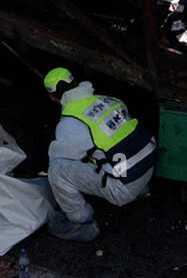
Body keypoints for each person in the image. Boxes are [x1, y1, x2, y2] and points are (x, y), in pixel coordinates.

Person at [43, 67, 156, 241]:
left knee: (57, 170)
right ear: (77, 83)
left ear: (52, 97)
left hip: (124, 189)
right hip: (147, 168)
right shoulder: (109, 100)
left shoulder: (70, 123)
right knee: (108, 147)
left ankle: (82, 224)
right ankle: (141, 190)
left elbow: (66, 158)